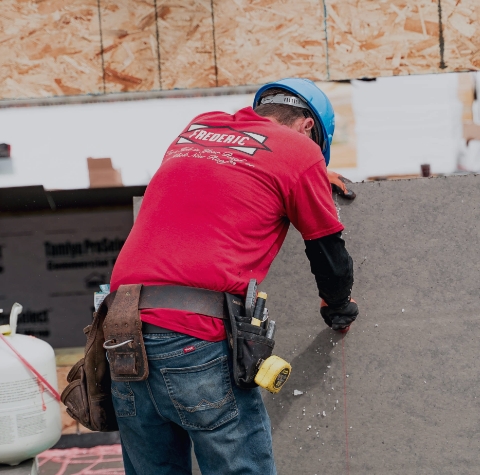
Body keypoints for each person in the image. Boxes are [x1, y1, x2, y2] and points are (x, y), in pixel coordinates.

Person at [109, 77, 358, 475]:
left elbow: (220, 178)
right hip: (193, 338)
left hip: (121, 332)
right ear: (308, 126)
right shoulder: (298, 152)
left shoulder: (200, 126)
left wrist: (306, 176)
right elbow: (328, 254)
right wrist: (338, 308)